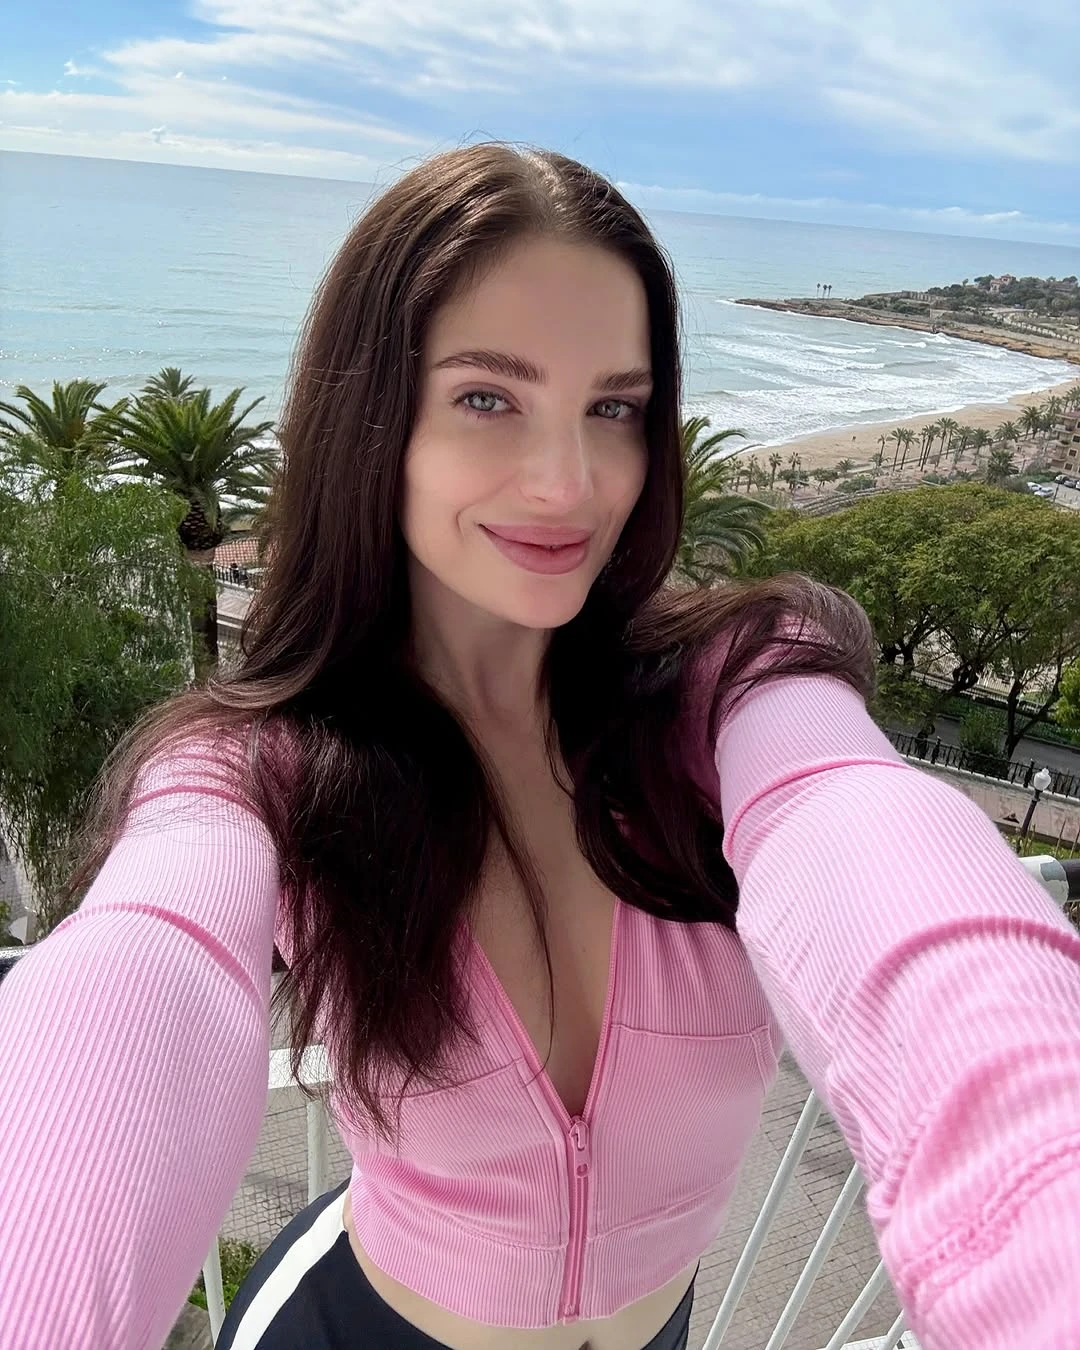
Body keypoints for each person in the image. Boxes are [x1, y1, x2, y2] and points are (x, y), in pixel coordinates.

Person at [1, 143, 1078, 1350]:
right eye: (487, 397)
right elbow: (142, 978)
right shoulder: (257, 773)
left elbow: (873, 854)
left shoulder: (730, 695)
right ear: (372, 422)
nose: (570, 485)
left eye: (613, 408)